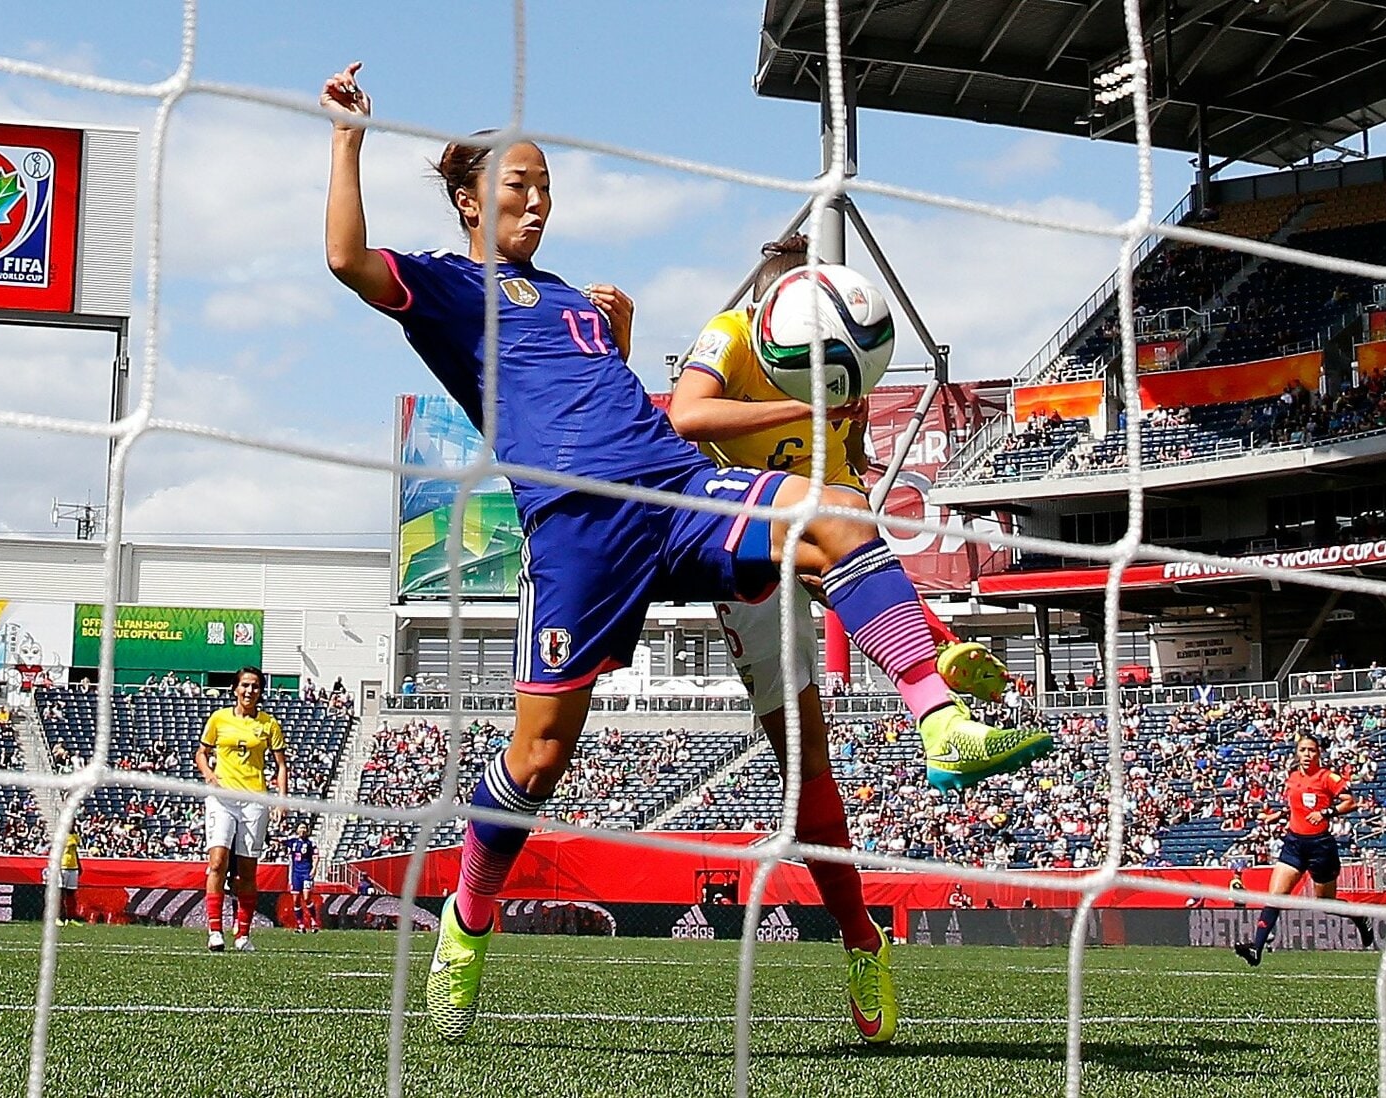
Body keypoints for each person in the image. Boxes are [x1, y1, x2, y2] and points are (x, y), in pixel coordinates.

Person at [321, 62, 1052, 1042]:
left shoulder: (580, 301)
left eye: (545, 187)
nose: (536, 202)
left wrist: (614, 341)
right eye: (517, 186)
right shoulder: (451, 290)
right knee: (537, 760)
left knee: (833, 514)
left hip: (674, 489)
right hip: (578, 531)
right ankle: (471, 914)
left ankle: (939, 719)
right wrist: (347, 140)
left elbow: (611, 402)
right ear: (467, 199)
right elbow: (345, 260)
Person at [666, 232, 1013, 1043]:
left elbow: (848, 469)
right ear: (770, 310)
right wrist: (804, 405)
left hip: (826, 530)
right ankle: (932, 668)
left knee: (843, 540)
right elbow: (687, 415)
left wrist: (843, 434)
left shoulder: (849, 365)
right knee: (801, 768)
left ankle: (864, 934)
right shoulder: (728, 332)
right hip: (739, 534)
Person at [1234, 733, 1374, 966]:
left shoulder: (1327, 777)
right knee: (1275, 896)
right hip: (1294, 844)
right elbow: (1296, 807)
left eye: (1312, 750)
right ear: (1297, 753)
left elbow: (1350, 802)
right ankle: (1256, 948)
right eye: (1303, 750)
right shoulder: (1292, 778)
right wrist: (1276, 816)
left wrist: (1326, 813)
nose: (1307, 755)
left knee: (1324, 903)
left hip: (1320, 847)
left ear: (1319, 753)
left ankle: (1358, 916)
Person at [194, 666, 288, 953]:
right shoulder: (219, 719)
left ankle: (243, 935)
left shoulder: (269, 724)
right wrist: (209, 775)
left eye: (255, 686)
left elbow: (281, 765)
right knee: (218, 861)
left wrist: (281, 799)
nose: (250, 691)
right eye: (245, 685)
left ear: (261, 691)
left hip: (254, 801)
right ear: (235, 689)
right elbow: (202, 752)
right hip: (222, 799)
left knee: (247, 870)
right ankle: (214, 930)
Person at [285, 821, 320, 933]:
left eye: (305, 828)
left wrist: (314, 868)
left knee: (307, 898)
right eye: (301, 827)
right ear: (297, 830)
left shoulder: (310, 843)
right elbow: (279, 841)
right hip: (296, 874)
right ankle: (300, 925)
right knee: (296, 901)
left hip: (306, 873)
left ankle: (314, 922)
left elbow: (316, 856)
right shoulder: (293, 842)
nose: (303, 830)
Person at [57, 828, 80, 927]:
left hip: (73, 867)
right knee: (61, 893)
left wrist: (79, 864)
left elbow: (75, 852)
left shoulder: (75, 836)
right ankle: (58, 917)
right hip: (63, 866)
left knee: (71, 894)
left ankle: (70, 917)